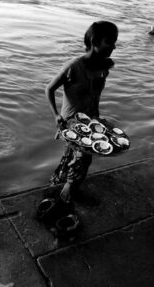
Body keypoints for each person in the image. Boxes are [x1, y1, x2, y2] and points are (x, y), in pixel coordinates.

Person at [45, 21, 119, 203]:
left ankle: (61, 183)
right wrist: (56, 115)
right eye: (109, 42)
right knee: (83, 156)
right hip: (71, 121)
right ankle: (69, 189)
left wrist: (99, 119)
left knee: (77, 156)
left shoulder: (103, 68)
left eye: (114, 42)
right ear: (94, 41)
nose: (113, 46)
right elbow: (49, 89)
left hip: (91, 120)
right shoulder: (74, 66)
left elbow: (94, 95)